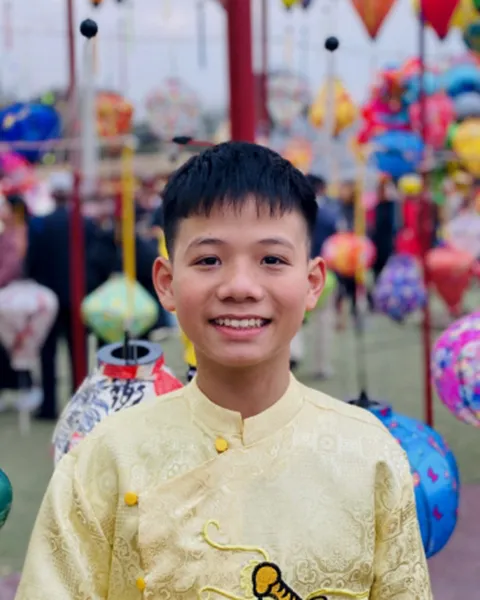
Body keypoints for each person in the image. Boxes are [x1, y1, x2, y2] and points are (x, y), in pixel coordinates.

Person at [16, 142, 431, 600]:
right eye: (209, 260)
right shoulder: (104, 459)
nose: (240, 287)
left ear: (312, 282)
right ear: (166, 283)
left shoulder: (369, 455)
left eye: (272, 260)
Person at [25, 172, 98, 419]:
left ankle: (48, 406)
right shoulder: (85, 223)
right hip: (78, 296)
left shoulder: (40, 224)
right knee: (78, 353)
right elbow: (94, 260)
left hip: (48, 298)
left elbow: (31, 261)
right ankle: (79, 403)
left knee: (47, 354)